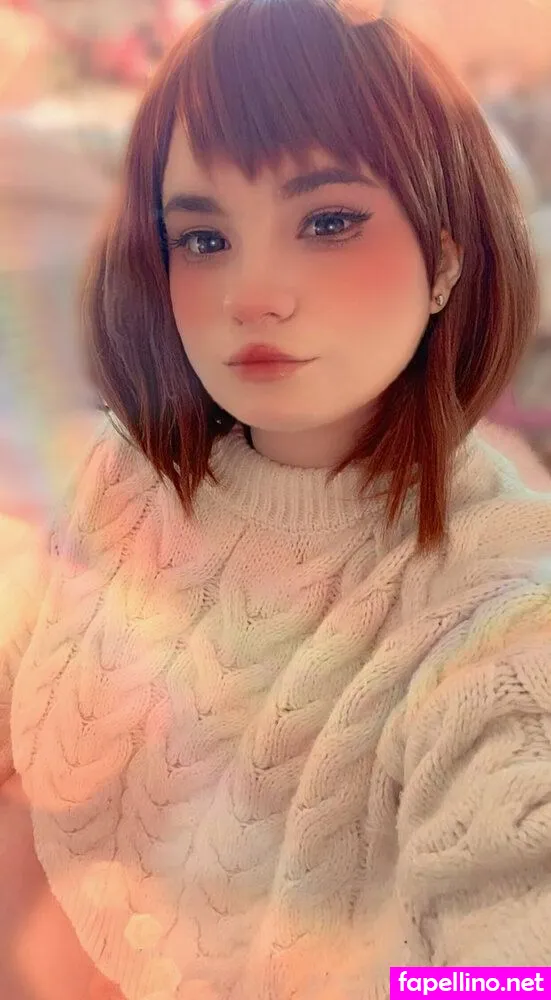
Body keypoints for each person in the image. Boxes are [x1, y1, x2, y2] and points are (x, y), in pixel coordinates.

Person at [1, 0, 551, 997]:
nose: (249, 293)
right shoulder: (124, 471)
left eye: (327, 220)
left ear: (443, 257)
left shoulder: (500, 616)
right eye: (202, 237)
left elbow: (511, 974)